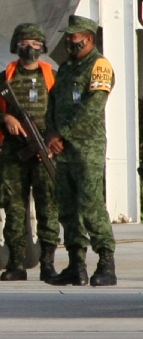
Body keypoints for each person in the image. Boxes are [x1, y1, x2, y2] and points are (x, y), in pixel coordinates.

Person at [45, 15, 117, 286]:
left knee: (90, 204)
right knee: (67, 206)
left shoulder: (99, 66)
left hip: (87, 148)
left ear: (88, 38)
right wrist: (51, 134)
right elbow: (52, 104)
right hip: (64, 150)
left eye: (74, 37)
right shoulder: (65, 69)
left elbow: (93, 107)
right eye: (68, 36)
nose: (69, 41)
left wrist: (62, 134)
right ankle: (76, 265)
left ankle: (106, 263)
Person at [0, 22, 59, 282]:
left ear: (43, 47)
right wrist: (5, 118)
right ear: (16, 46)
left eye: (35, 44)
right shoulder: (4, 79)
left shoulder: (52, 77)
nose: (30, 48)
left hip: (44, 152)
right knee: (14, 208)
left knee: (47, 206)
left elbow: (63, 113)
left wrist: (52, 142)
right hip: (14, 153)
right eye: (25, 43)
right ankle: (16, 262)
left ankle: (48, 262)